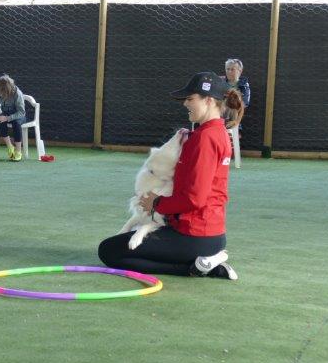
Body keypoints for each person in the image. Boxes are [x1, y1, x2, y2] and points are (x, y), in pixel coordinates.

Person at [98, 72, 243, 279]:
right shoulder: (214, 133)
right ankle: (202, 262)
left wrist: (156, 203)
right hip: (207, 232)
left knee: (108, 251)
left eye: (190, 98)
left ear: (209, 101)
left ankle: (201, 267)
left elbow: (195, 198)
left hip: (194, 234)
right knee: (121, 247)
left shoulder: (205, 138)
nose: (185, 103)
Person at [224, 58, 250, 131]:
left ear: (240, 71)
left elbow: (243, 104)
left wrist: (236, 122)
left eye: (232, 69)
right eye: (227, 69)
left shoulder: (244, 85)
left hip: (235, 116)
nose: (229, 71)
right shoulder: (221, 83)